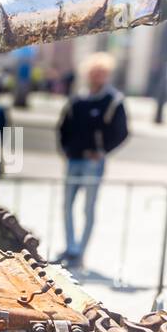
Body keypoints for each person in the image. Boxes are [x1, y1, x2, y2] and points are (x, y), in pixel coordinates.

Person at [57, 52, 128, 267]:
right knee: (67, 205)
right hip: (73, 159)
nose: (98, 76)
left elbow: (122, 131)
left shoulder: (113, 100)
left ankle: (80, 251)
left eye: (102, 73)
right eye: (94, 72)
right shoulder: (78, 98)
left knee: (88, 207)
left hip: (93, 161)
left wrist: (103, 150)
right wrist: (65, 149)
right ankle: (70, 247)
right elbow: (63, 126)